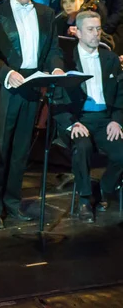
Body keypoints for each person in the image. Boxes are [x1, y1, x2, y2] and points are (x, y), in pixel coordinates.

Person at [0, 0, 64, 230]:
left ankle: (12, 203)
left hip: (32, 85)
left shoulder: (46, 13)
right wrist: (6, 72)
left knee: (20, 151)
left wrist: (56, 66)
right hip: (7, 86)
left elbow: (53, 48)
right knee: (0, 148)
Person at [53, 11, 123, 223]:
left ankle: (103, 189)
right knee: (82, 147)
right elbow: (58, 99)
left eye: (98, 29)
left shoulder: (110, 59)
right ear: (78, 33)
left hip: (104, 119)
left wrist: (117, 120)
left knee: (121, 153)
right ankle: (84, 199)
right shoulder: (66, 62)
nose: (96, 34)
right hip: (79, 118)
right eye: (91, 30)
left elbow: (121, 94)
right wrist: (72, 123)